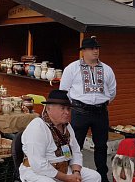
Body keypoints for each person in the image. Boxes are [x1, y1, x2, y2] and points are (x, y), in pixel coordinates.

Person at [59, 36, 116, 182]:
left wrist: (99, 102)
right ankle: (71, 173)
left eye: (97, 48)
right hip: (80, 112)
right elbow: (64, 91)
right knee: (74, 144)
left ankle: (102, 175)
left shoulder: (107, 69)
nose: (95, 51)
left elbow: (112, 91)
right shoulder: (72, 68)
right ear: (83, 51)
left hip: (100, 112)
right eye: (91, 48)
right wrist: (74, 106)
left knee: (101, 146)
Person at [19, 89, 101, 182]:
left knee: (95, 177)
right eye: (62, 108)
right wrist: (66, 178)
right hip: (37, 172)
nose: (67, 112)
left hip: (64, 169)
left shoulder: (67, 126)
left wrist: (76, 173)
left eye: (68, 109)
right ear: (49, 108)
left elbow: (76, 152)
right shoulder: (37, 127)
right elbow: (38, 164)